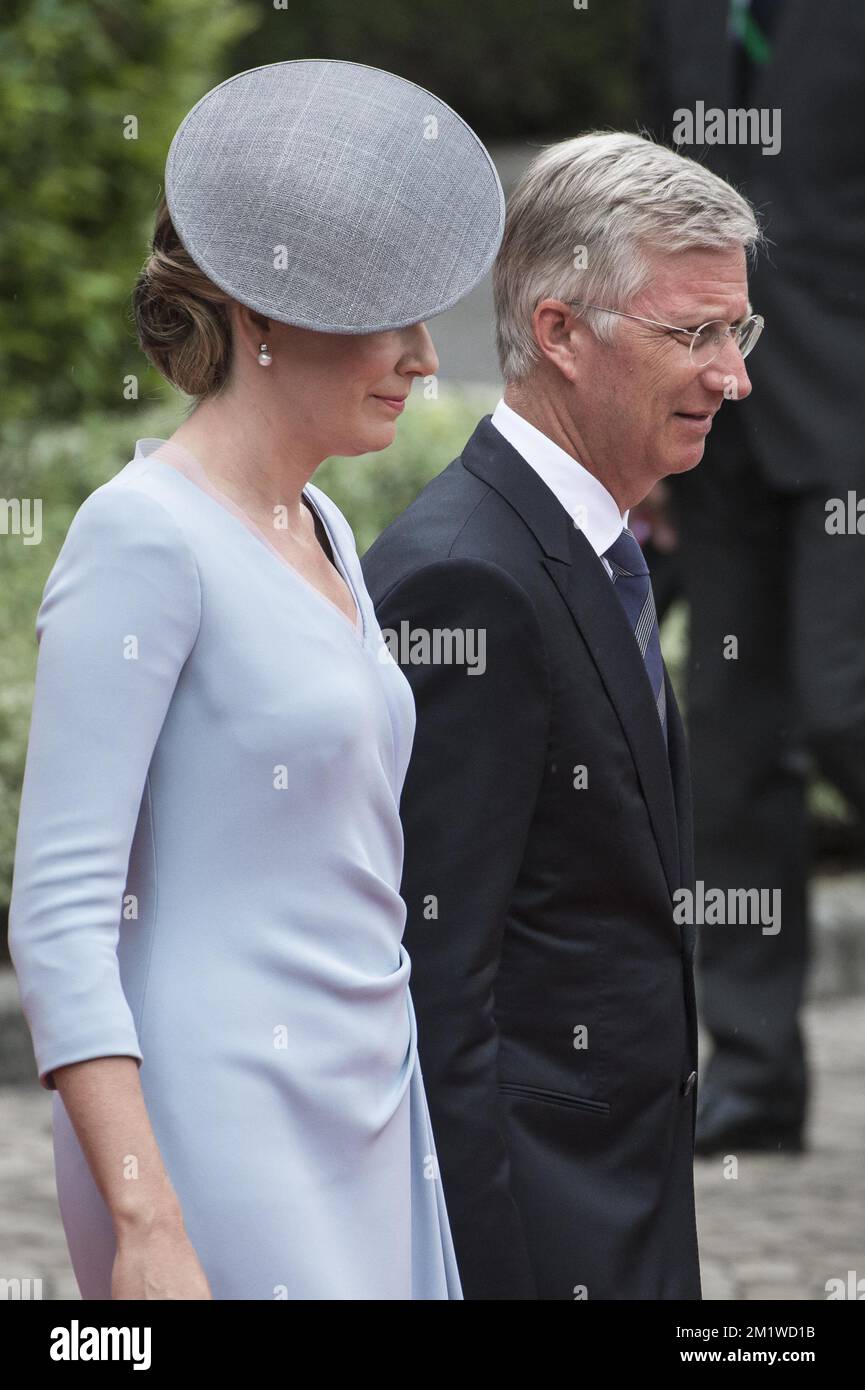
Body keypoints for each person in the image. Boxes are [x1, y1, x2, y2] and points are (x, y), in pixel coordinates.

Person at [8, 58, 505, 1300]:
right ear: (261, 316)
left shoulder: (324, 525)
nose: (421, 358)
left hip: (368, 1085)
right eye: (385, 318)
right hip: (213, 1106)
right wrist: (146, 1221)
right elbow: (60, 913)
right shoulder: (143, 538)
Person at [362, 131, 763, 1299]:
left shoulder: (597, 547)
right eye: (693, 332)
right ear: (557, 332)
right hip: (543, 1226)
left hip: (619, 1196)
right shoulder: (467, 579)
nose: (731, 375)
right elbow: (438, 982)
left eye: (737, 332)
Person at [639, 0, 865, 1155]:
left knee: (844, 708)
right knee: (726, 748)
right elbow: (638, 211)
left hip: (854, 424)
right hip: (716, 425)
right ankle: (755, 1077)